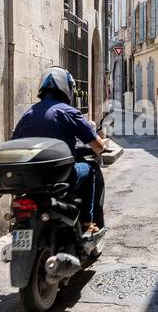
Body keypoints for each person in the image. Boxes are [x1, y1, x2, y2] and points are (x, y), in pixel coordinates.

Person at [13, 67, 106, 234]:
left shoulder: (28, 114)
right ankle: (87, 222)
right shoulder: (68, 112)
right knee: (90, 169)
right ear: (67, 88)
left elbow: (14, 142)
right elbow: (97, 146)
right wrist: (102, 145)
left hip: (29, 179)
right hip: (59, 176)